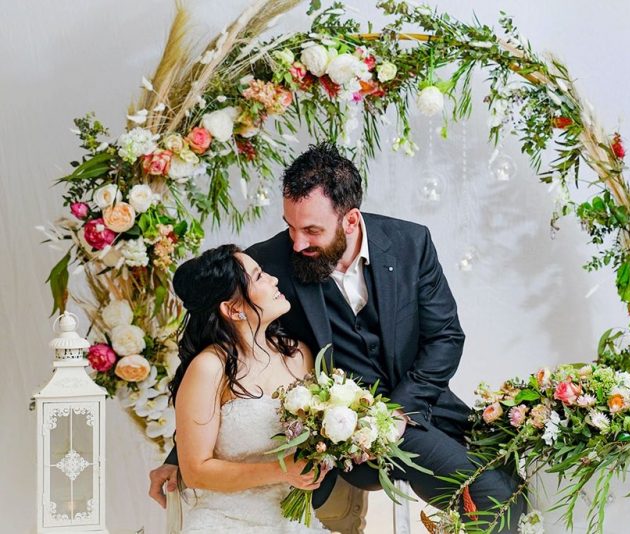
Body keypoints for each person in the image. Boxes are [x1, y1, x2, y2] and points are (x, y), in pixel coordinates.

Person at [151, 143, 524, 532]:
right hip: (347, 439)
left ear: (350, 219)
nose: (298, 243)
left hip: (421, 408)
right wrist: (181, 457)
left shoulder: (410, 243)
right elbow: (223, 359)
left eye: (312, 230)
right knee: (492, 495)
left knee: (510, 485)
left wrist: (396, 414)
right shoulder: (270, 262)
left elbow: (445, 337)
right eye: (290, 226)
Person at [167, 244, 330, 533]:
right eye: (259, 277)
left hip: (291, 522)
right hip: (227, 522)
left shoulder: (299, 355)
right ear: (232, 309)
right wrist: (283, 470)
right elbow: (195, 471)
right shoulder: (209, 368)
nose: (274, 280)